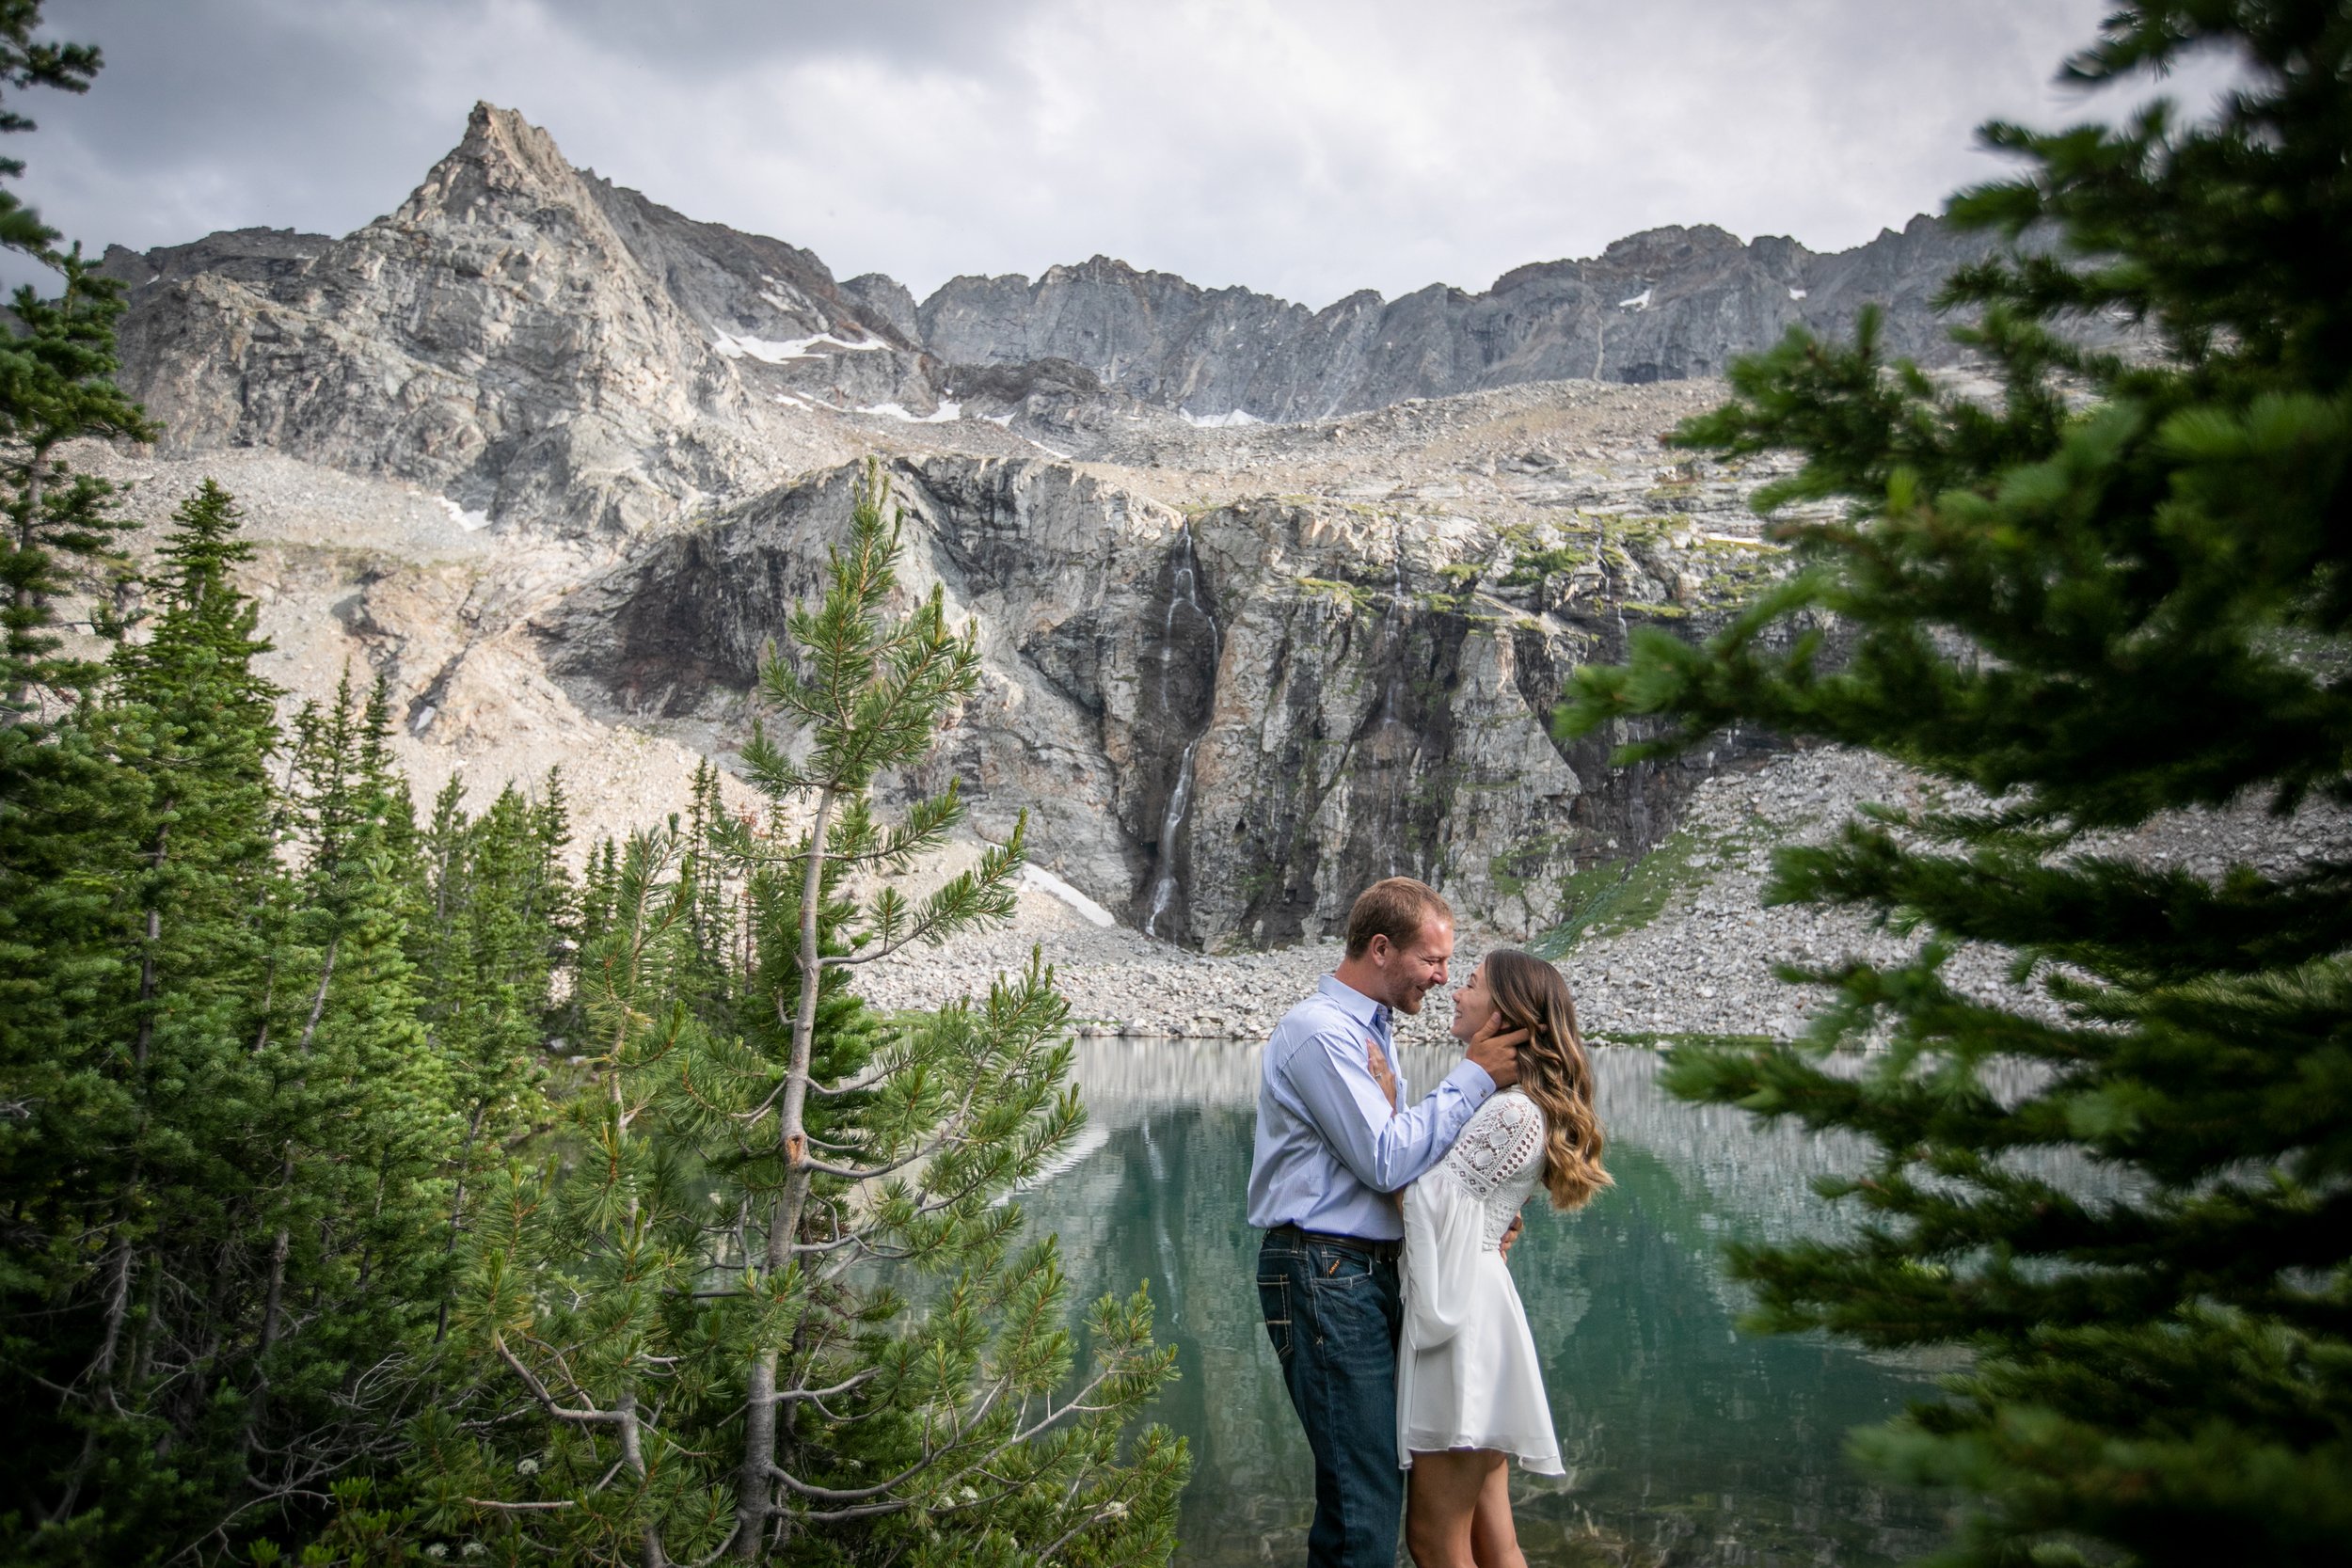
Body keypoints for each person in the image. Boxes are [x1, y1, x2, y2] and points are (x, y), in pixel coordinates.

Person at [1248, 878, 1526, 1568]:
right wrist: (1473, 1075)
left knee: (1368, 1486)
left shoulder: (1370, 1033)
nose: (1441, 977)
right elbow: (1383, 1157)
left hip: (1359, 1273)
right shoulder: (1319, 1033)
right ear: (1380, 948)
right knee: (1363, 1505)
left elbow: (1401, 1168)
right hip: (1325, 1270)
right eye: (1433, 960)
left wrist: (1479, 1220)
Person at [1396, 950, 1611, 1568]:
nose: (1455, 992)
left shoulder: (1512, 1110)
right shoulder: (1515, 1104)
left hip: (1464, 1318)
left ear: (1507, 1016)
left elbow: (1427, 1199)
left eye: (1470, 984)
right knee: (1494, 1541)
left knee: (1436, 1541)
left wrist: (1379, 1136)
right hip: (1475, 1302)